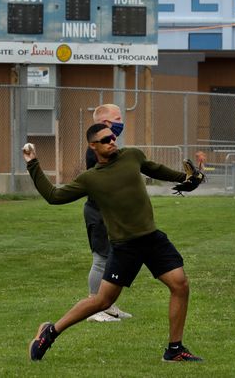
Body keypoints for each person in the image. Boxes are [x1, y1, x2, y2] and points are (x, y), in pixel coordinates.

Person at [24, 123, 203, 363]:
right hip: (124, 246)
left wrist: (186, 178)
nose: (112, 141)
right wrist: (32, 163)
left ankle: (175, 349)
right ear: (93, 146)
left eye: (112, 137)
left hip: (151, 238)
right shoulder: (90, 179)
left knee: (180, 284)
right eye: (105, 139)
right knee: (102, 301)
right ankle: (50, 332)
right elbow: (54, 196)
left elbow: (155, 169)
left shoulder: (132, 155)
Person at [83, 104, 132, 322]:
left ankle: (108, 304)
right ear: (105, 124)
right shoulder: (96, 150)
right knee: (101, 259)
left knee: (114, 257)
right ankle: (95, 306)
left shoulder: (109, 147)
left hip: (112, 213)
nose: (122, 121)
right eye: (118, 118)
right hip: (99, 212)